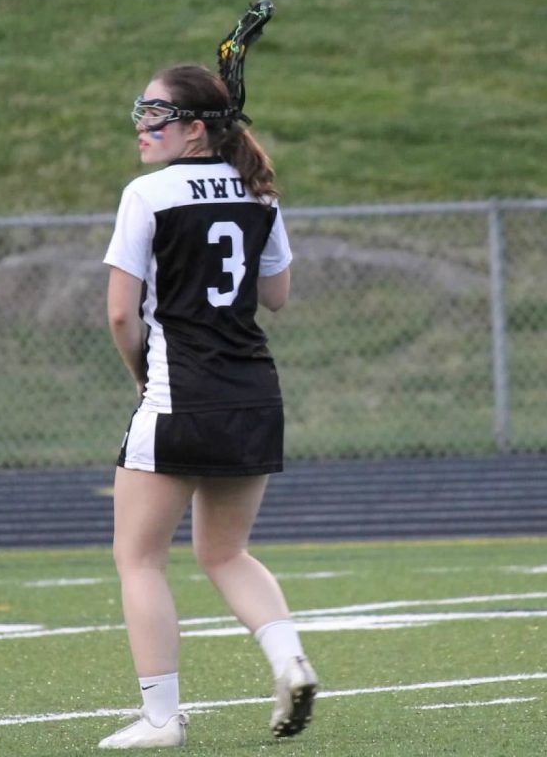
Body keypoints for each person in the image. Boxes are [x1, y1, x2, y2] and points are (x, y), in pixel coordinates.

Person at [97, 61, 319, 749]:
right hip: (253, 393)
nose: (142, 125)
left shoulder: (147, 194)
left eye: (155, 113)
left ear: (196, 128)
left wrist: (142, 376)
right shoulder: (259, 193)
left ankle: (162, 718)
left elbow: (119, 317)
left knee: (140, 560)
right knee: (226, 554)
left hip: (178, 397)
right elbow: (276, 296)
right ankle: (290, 660)